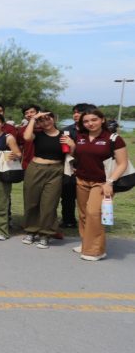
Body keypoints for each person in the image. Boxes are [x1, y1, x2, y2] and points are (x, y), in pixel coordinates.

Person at [62, 109, 129, 261]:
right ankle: (86, 242)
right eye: (86, 121)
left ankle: (95, 250)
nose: (90, 123)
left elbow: (122, 163)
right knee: (84, 214)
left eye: (94, 120)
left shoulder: (113, 138)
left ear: (102, 120)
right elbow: (78, 157)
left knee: (94, 214)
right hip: (82, 180)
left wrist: (110, 182)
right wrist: (72, 147)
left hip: (102, 182)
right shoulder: (81, 137)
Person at [21, 110, 66, 249]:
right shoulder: (38, 134)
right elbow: (27, 137)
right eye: (42, 120)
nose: (45, 122)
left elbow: (72, 153)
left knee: (49, 204)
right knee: (31, 202)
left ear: (54, 119)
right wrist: (34, 119)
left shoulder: (64, 135)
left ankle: (45, 234)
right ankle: (31, 231)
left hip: (56, 171)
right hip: (35, 169)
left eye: (48, 119)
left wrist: (72, 144)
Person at [59, 103, 95, 228]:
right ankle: (68, 220)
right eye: (74, 112)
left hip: (88, 170)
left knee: (88, 199)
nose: (75, 115)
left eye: (79, 112)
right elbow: (62, 151)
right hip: (70, 169)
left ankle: (88, 222)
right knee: (68, 195)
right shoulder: (66, 130)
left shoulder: (93, 131)